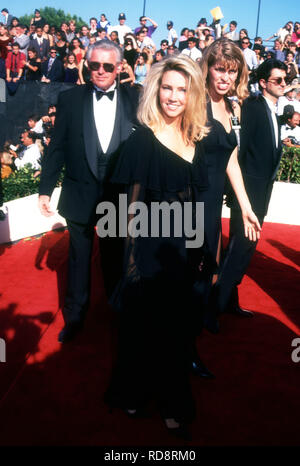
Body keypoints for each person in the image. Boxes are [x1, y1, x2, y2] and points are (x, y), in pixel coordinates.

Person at [105, 55, 210, 440]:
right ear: (156, 90)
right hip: (148, 254)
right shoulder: (142, 141)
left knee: (176, 335)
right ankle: (133, 393)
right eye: (167, 87)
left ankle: (169, 400)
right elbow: (128, 212)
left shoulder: (193, 138)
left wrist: (197, 254)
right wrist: (131, 269)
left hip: (180, 254)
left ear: (192, 95)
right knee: (144, 331)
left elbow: (195, 206)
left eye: (182, 89)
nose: (173, 96)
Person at [38, 40, 139, 343]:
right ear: (86, 65)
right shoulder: (69, 99)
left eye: (108, 66)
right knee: (79, 258)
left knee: (114, 258)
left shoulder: (136, 99)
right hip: (79, 192)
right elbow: (56, 148)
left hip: (118, 196)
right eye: (94, 65)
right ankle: (75, 315)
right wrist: (45, 189)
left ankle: (118, 312)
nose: (100, 71)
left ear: (120, 68)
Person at [193, 38, 260, 343]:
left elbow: (230, 158)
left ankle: (197, 326)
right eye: (220, 69)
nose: (226, 78)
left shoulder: (230, 106)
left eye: (232, 72)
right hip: (189, 201)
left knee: (207, 269)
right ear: (207, 69)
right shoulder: (193, 103)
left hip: (212, 205)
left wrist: (246, 207)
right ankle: (182, 348)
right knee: (189, 273)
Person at [216, 59, 288, 317]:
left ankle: (227, 302)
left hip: (260, 194)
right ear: (263, 83)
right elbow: (241, 151)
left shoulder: (272, 110)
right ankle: (214, 307)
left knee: (241, 249)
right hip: (247, 194)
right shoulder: (255, 108)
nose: (283, 84)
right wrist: (236, 193)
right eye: (277, 80)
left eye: (284, 79)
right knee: (239, 250)